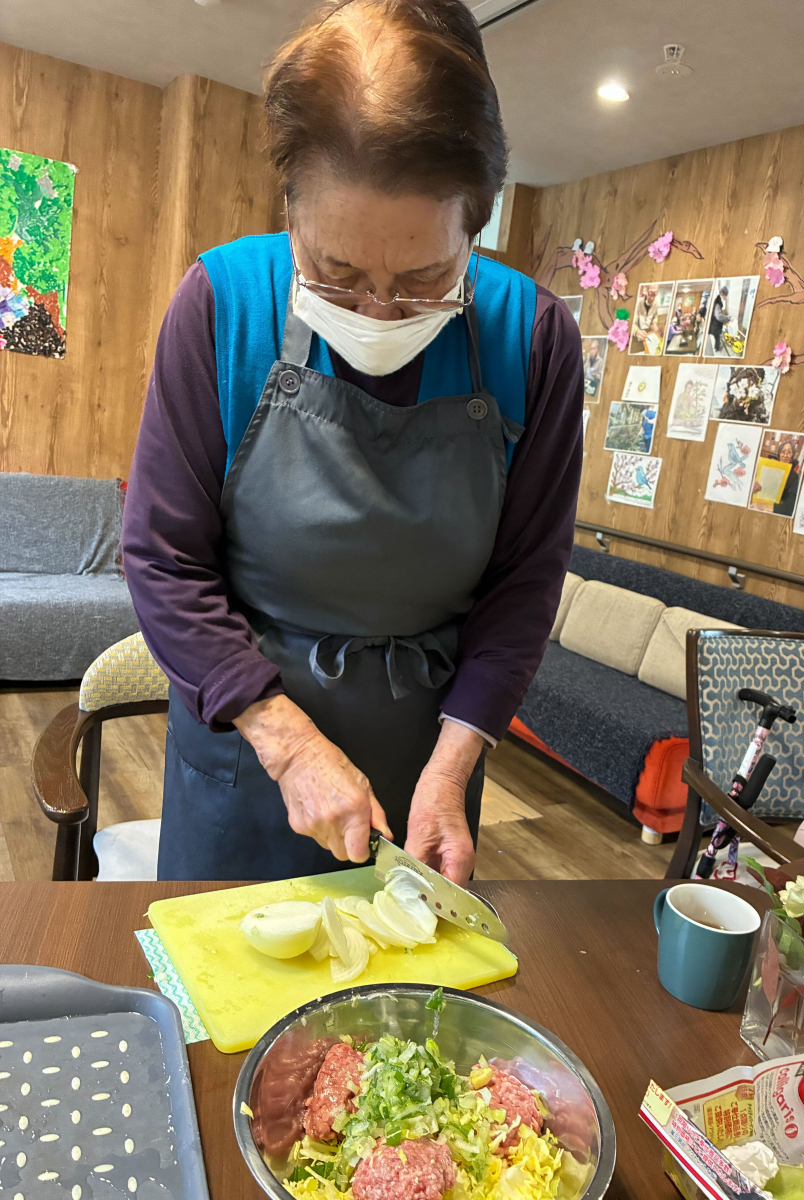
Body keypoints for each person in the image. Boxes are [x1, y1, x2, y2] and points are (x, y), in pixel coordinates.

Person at [122, 0, 583, 885]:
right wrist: (289, 744)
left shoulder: (532, 341)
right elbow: (163, 558)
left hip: (428, 758)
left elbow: (524, 582)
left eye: (424, 278)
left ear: (476, 225)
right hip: (248, 740)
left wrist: (452, 768)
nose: (377, 311)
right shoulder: (223, 306)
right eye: (335, 272)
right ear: (290, 208)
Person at [752, 439, 802, 516]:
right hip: (757, 503)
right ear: (779, 454)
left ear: (792, 455)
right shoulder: (769, 467)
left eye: (789, 452)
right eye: (783, 452)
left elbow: (790, 507)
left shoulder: (794, 477)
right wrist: (752, 485)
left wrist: (764, 507)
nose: (785, 455)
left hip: (775, 512)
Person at [706, 283, 732, 354]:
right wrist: (728, 318)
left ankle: (716, 347)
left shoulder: (717, 301)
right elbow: (719, 316)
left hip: (714, 324)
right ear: (723, 295)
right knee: (717, 337)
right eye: (726, 295)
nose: (726, 297)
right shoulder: (718, 303)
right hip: (715, 325)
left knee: (716, 337)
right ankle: (717, 348)